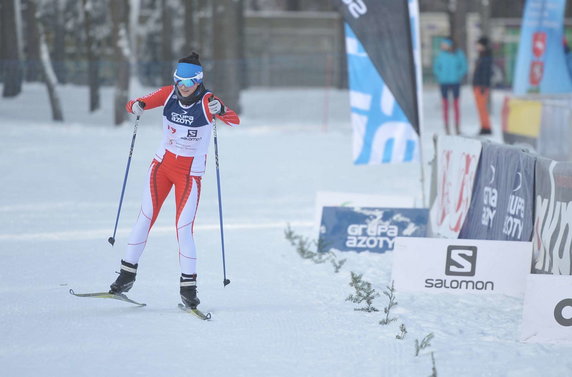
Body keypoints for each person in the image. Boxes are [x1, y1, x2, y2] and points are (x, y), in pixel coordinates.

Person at [108, 52, 240, 309]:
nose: (184, 87)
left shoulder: (207, 100)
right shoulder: (168, 93)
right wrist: (135, 106)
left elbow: (234, 120)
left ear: (199, 82)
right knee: (145, 217)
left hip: (189, 174)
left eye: (190, 83)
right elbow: (135, 103)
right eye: (180, 81)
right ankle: (125, 278)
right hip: (161, 167)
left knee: (183, 229)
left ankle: (188, 291)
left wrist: (221, 110)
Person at [433, 37, 467, 135]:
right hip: (443, 83)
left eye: (444, 44)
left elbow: (464, 66)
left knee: (456, 105)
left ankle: (457, 127)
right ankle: (446, 128)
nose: (442, 46)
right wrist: (440, 75)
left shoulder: (458, 54)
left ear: (450, 44)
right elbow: (436, 67)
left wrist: (458, 75)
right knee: (445, 105)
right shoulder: (440, 55)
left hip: (455, 82)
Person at [472, 36, 494, 135]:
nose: (477, 47)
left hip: (481, 87)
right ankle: (484, 126)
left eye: (479, 45)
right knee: (480, 108)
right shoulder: (482, 56)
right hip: (478, 86)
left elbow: (486, 74)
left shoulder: (486, 58)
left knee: (482, 108)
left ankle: (486, 127)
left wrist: (483, 87)